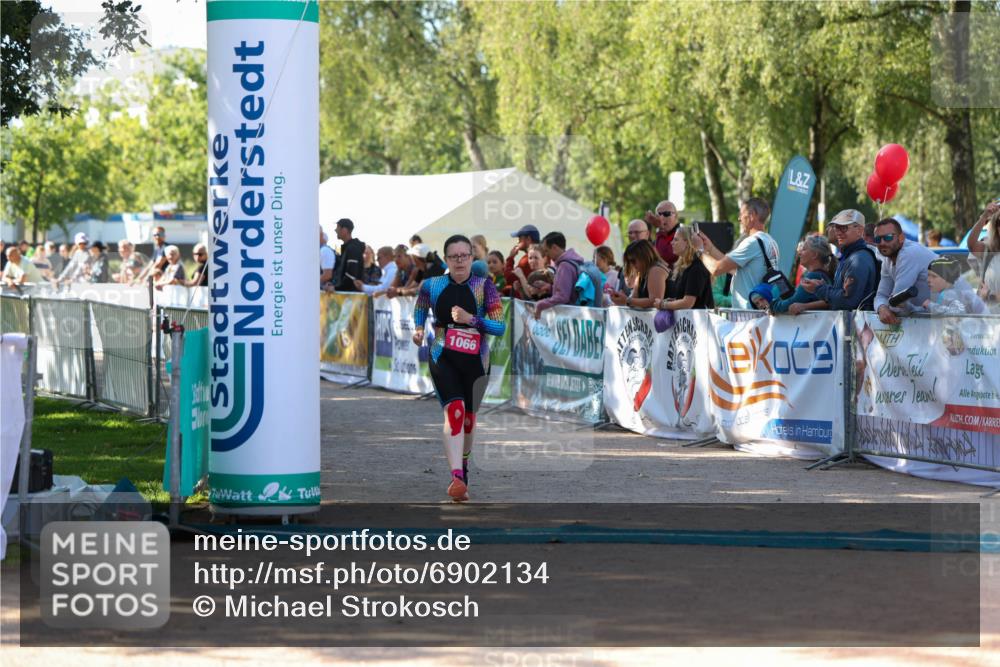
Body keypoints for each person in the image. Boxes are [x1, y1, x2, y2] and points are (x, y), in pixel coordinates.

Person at [412, 235, 505, 502]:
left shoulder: (484, 286)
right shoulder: (432, 285)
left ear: (472, 257)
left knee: (469, 419)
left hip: (477, 359)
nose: (460, 261)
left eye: (465, 255)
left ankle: (463, 466)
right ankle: (456, 477)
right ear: (446, 259)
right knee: (454, 412)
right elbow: (420, 308)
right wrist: (419, 329)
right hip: (443, 354)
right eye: (454, 256)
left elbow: (500, 327)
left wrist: (471, 319)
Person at [694, 197, 778, 309]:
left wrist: (699, 250)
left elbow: (716, 269)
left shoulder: (752, 242)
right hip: (759, 312)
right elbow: (732, 269)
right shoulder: (771, 242)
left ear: (752, 215)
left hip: (748, 314)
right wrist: (710, 248)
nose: (739, 219)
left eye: (741, 214)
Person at [799, 209, 880, 311]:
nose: (838, 232)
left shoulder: (858, 259)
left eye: (844, 228)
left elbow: (847, 301)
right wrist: (823, 287)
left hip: (857, 325)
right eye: (836, 228)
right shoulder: (850, 257)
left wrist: (819, 289)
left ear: (860, 230)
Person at [872, 217, 937, 325]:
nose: (882, 243)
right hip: (934, 321)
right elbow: (881, 296)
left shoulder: (909, 253)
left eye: (888, 237)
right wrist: (882, 308)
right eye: (878, 239)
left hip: (959, 317)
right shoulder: (887, 260)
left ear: (901, 237)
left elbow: (896, 304)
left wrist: (886, 306)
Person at [773, 235, 837, 315]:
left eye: (804, 249)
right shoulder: (823, 275)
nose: (799, 253)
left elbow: (794, 301)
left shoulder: (813, 276)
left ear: (815, 255)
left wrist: (773, 306)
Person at [654, 226, 714, 311]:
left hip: (699, 322)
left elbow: (688, 303)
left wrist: (663, 304)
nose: (671, 243)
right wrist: (671, 301)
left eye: (676, 240)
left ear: (687, 242)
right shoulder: (684, 267)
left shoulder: (697, 266)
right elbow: (683, 298)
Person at [534, 232, 586, 317]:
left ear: (554, 247)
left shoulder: (564, 266)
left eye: (547, 251)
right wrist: (550, 288)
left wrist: (541, 305)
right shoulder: (571, 262)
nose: (546, 255)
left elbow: (563, 297)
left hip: (570, 317)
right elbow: (570, 290)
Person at [610, 240, 670, 310]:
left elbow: (655, 301)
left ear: (643, 257)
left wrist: (627, 300)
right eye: (629, 262)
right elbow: (634, 298)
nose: (631, 264)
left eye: (633, 261)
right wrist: (620, 298)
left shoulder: (655, 269)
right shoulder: (641, 273)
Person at [967, 200, 1000, 310]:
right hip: (988, 317)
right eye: (999, 222)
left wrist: (990, 296)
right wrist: (984, 217)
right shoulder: (988, 248)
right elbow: (971, 245)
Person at [503, 224, 540, 297]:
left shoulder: (526, 260)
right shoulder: (543, 255)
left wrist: (511, 258)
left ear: (528, 239)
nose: (517, 242)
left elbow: (509, 279)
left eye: (520, 238)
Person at [333, 218, 365, 292]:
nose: (335, 230)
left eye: (337, 227)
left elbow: (351, 275)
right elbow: (337, 269)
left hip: (351, 297)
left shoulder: (353, 248)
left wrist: (336, 288)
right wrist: (332, 284)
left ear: (344, 230)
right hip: (344, 295)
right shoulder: (339, 248)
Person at [644, 200, 680, 266]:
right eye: (658, 214)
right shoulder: (659, 236)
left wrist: (661, 229)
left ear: (676, 216)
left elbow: (665, 256)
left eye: (666, 214)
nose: (661, 218)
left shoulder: (683, 234)